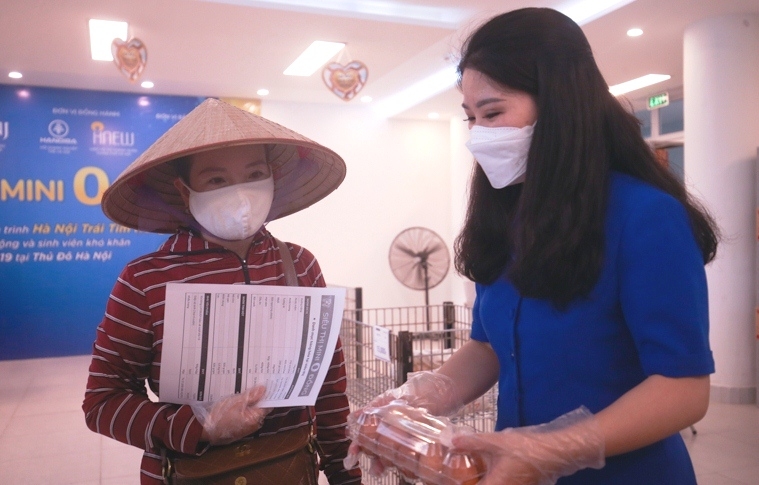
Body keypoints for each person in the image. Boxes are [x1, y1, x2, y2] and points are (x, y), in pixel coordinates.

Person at [350, 7, 718, 485]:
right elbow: (488, 346)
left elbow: (683, 389)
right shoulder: (508, 217)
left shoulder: (645, 217)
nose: (479, 135)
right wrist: (417, 402)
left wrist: (554, 448)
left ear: (560, 104)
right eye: (471, 118)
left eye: (493, 113)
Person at [83, 98, 362, 484]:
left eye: (254, 174)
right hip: (188, 473)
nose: (240, 193)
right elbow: (102, 402)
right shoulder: (145, 281)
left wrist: (345, 473)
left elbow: (329, 387)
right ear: (185, 192)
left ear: (272, 178)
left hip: (290, 469)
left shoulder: (300, 265)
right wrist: (201, 425)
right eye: (216, 180)